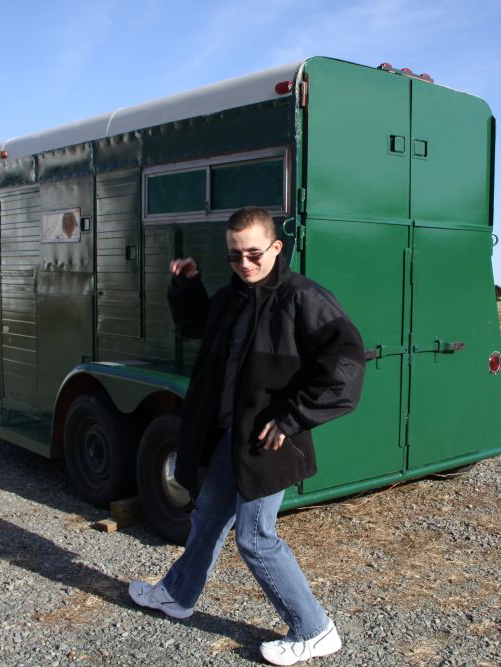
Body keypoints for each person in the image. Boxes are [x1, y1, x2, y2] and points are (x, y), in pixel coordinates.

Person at [128, 205, 366, 665]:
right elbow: (195, 327)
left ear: (276, 247)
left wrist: (293, 418)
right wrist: (187, 286)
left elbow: (347, 367)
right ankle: (178, 594)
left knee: (256, 538)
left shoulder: (304, 299)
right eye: (235, 256)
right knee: (209, 516)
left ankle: (315, 629)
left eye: (254, 254)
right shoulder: (233, 296)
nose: (245, 264)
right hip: (229, 438)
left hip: (270, 441)